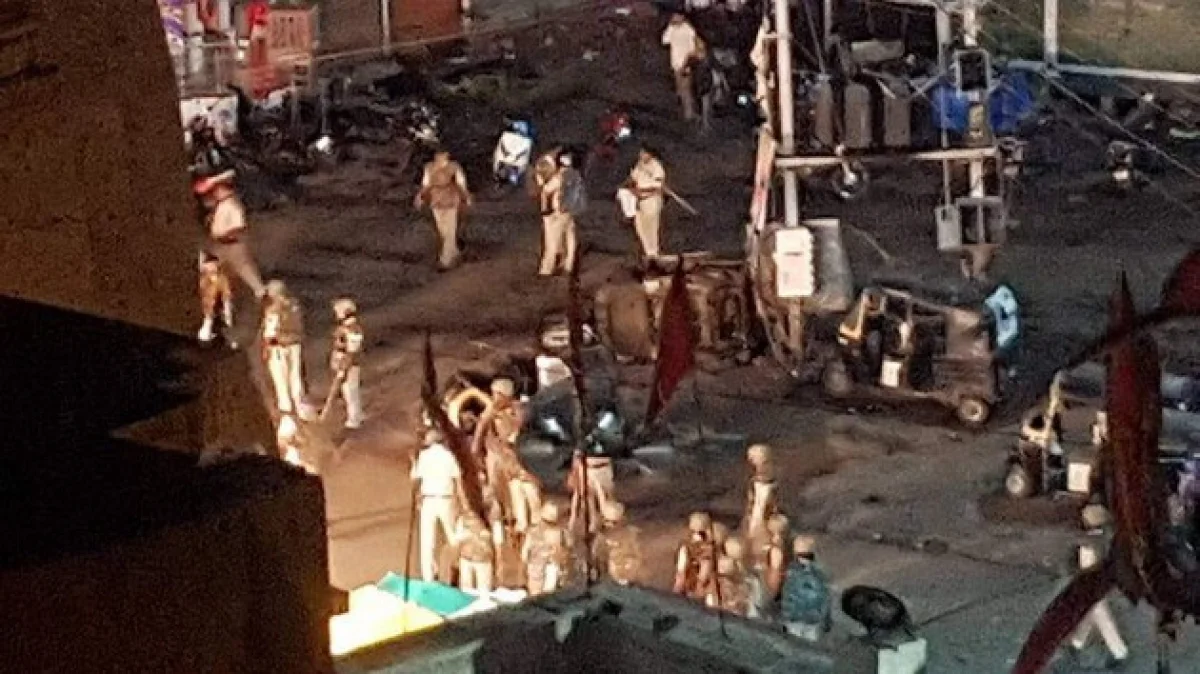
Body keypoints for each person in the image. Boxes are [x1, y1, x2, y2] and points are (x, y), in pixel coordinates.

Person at [195, 170, 266, 299]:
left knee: (245, 269)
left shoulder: (231, 205)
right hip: (220, 246)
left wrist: (225, 233)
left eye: (215, 190)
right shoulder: (218, 207)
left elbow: (239, 225)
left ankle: (262, 294)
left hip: (233, 246)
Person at [1064, 544, 1129, 669]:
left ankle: (1119, 650)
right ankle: (1078, 641)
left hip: (1091, 545)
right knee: (1092, 603)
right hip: (1092, 545)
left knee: (1096, 605)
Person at [412, 429, 464, 582]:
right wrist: (460, 502)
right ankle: (458, 567)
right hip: (446, 499)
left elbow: (416, 478)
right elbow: (457, 480)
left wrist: (413, 463)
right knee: (453, 536)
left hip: (428, 499)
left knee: (427, 539)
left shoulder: (424, 456)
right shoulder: (449, 456)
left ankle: (428, 576)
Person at [261, 280, 312, 420]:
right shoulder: (295, 306)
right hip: (295, 344)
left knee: (280, 379)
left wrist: (266, 348)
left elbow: (270, 333)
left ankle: (286, 411)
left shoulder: (273, 310)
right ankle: (301, 407)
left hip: (278, 347)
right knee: (296, 377)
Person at [414, 150, 472, 271]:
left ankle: (445, 261)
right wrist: (420, 197)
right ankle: (454, 254)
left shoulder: (454, 167)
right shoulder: (429, 167)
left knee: (450, 230)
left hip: (451, 201)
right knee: (442, 231)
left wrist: (466, 196)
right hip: (436, 202)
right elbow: (426, 184)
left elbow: (461, 183)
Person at [780, 535, 833, 642]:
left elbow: (788, 594)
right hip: (812, 618)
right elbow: (826, 596)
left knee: (794, 643)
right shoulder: (820, 571)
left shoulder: (792, 570)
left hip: (796, 617)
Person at [537, 154, 578, 277]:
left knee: (552, 241)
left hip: (557, 213)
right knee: (569, 239)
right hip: (568, 212)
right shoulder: (573, 177)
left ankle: (547, 269)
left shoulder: (558, 179)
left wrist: (541, 182)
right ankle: (568, 265)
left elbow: (546, 191)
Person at [328, 298, 365, 429]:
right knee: (350, 390)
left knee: (350, 391)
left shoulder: (352, 329)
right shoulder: (346, 328)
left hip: (349, 365)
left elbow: (351, 351)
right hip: (346, 364)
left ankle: (354, 418)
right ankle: (358, 414)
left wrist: (343, 368)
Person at [625, 148, 667, 260]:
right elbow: (633, 179)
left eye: (644, 153)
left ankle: (654, 253)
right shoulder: (639, 165)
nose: (642, 155)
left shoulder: (656, 166)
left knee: (651, 227)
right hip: (639, 200)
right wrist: (632, 188)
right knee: (640, 226)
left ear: (650, 154)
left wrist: (642, 191)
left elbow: (658, 186)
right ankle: (648, 252)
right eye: (641, 153)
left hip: (652, 199)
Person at [522, 502, 570, 596]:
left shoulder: (533, 532)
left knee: (538, 595)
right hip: (546, 570)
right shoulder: (560, 532)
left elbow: (524, 554)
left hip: (540, 569)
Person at [591, 501, 642, 586]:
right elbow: (597, 555)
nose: (610, 525)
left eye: (614, 522)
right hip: (612, 571)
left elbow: (637, 553)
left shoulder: (631, 533)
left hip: (628, 566)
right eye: (607, 521)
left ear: (622, 520)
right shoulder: (602, 537)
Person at [661, 13, 700, 122]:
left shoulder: (688, 30)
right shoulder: (673, 29)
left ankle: (689, 113)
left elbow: (692, 48)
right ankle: (687, 111)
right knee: (682, 89)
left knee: (685, 89)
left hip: (685, 64)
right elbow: (664, 41)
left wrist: (687, 63)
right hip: (676, 64)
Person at [673, 511, 717, 601]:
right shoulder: (687, 548)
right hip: (693, 585)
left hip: (697, 588)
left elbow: (681, 571)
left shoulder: (707, 550)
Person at [197, 252, 234, 345]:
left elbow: (225, 294)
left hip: (217, 306)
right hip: (212, 307)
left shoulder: (219, 278)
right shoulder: (206, 280)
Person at [744, 443, 778, 543]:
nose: (760, 469)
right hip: (747, 534)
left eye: (764, 463)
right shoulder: (748, 486)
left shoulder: (781, 488)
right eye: (754, 465)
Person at [455, 512, 495, 595]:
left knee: (484, 593)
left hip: (482, 560)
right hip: (467, 559)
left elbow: (497, 541)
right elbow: (458, 540)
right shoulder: (462, 519)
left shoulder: (490, 516)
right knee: (466, 592)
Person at [687, 39, 716, 135]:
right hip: (699, 84)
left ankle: (705, 126)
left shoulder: (702, 58)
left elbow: (686, 69)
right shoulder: (695, 58)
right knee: (702, 106)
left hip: (703, 84)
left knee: (704, 106)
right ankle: (704, 125)